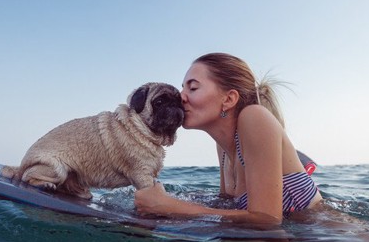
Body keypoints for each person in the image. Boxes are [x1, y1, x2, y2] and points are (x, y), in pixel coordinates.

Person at [134, 52, 322, 226]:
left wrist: (169, 207)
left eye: (192, 87)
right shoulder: (223, 147)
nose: (180, 96)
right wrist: (169, 200)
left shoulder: (254, 117)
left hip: (331, 238)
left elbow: (268, 219)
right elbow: (225, 205)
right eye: (183, 87)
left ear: (229, 99)